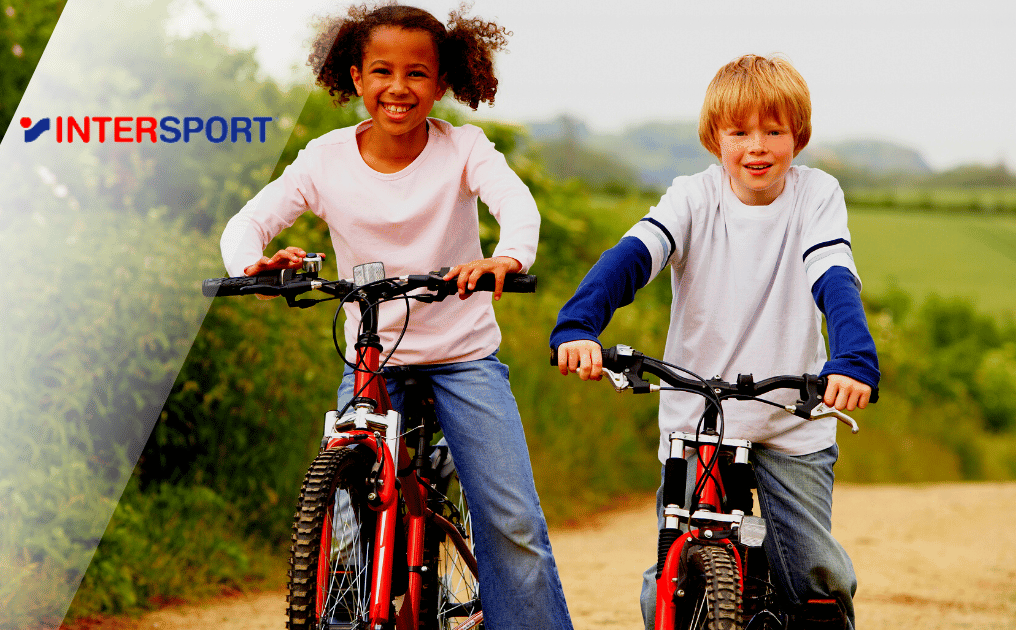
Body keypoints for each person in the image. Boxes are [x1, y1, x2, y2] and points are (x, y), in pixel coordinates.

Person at [218, 4, 574, 628]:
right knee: (350, 520)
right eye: (381, 71)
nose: (398, 87)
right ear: (354, 77)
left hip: (462, 357)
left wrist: (508, 258)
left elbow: (517, 205)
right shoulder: (324, 159)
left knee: (511, 521)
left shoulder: (463, 146)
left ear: (442, 84)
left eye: (417, 74)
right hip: (374, 355)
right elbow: (249, 221)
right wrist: (254, 263)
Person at [550, 53, 879, 629]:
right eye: (740, 132)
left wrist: (852, 358)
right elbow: (630, 260)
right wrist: (579, 325)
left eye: (774, 131)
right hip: (697, 420)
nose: (757, 146)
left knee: (816, 576)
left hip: (789, 419)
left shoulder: (816, 196)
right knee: (669, 584)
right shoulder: (693, 197)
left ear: (797, 138)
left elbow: (834, 277)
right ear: (714, 138)